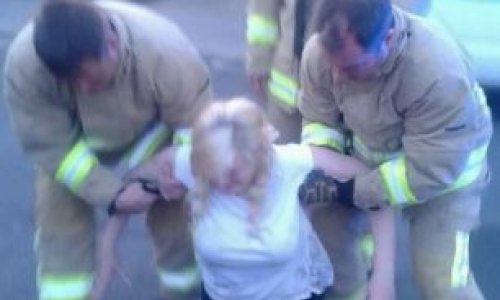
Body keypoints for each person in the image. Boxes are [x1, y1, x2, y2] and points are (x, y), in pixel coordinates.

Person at [3, 1, 211, 299]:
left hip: (148, 134)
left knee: (174, 222)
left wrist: (175, 173)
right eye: (72, 82)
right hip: (73, 143)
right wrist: (114, 195)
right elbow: (50, 144)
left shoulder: (166, 54)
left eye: (90, 77)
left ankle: (182, 291)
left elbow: (197, 126)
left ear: (112, 45)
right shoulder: (25, 65)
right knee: (61, 229)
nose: (84, 89)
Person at [92, 98, 396, 300]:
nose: (222, 184)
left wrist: (383, 276)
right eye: (212, 174)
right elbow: (127, 188)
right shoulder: (193, 163)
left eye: (234, 174)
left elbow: (376, 187)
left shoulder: (289, 163)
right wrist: (107, 245)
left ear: (260, 156)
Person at [298, 0, 492, 299]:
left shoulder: (438, 71)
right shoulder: (321, 52)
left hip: (442, 183)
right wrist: (324, 171)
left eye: (350, 67)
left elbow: (428, 169)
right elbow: (320, 120)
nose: (337, 76)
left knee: (442, 283)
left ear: (387, 40)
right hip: (366, 164)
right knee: (329, 239)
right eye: (331, 64)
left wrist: (351, 189)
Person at [246, 2, 372, 298]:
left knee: (347, 201)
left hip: (350, 90)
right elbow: (264, 6)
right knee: (280, 185)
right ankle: (294, 263)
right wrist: (259, 55)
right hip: (289, 91)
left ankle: (359, 265)